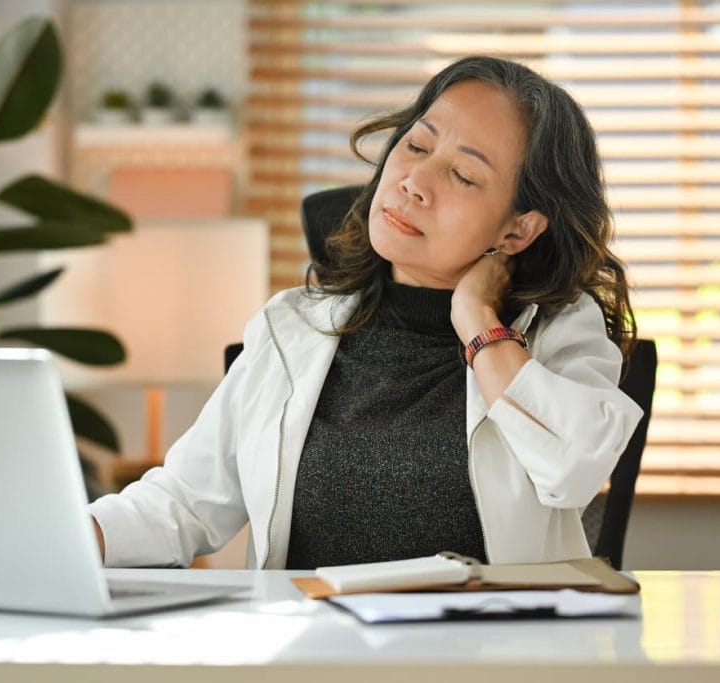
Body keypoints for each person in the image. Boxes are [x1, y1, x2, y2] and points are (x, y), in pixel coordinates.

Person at [89, 56, 644, 570]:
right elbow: (185, 502)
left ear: (518, 228)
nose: (412, 182)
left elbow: (571, 470)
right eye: (417, 147)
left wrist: (478, 320)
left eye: (464, 176)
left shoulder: (556, 334)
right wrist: (72, 536)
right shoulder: (292, 329)